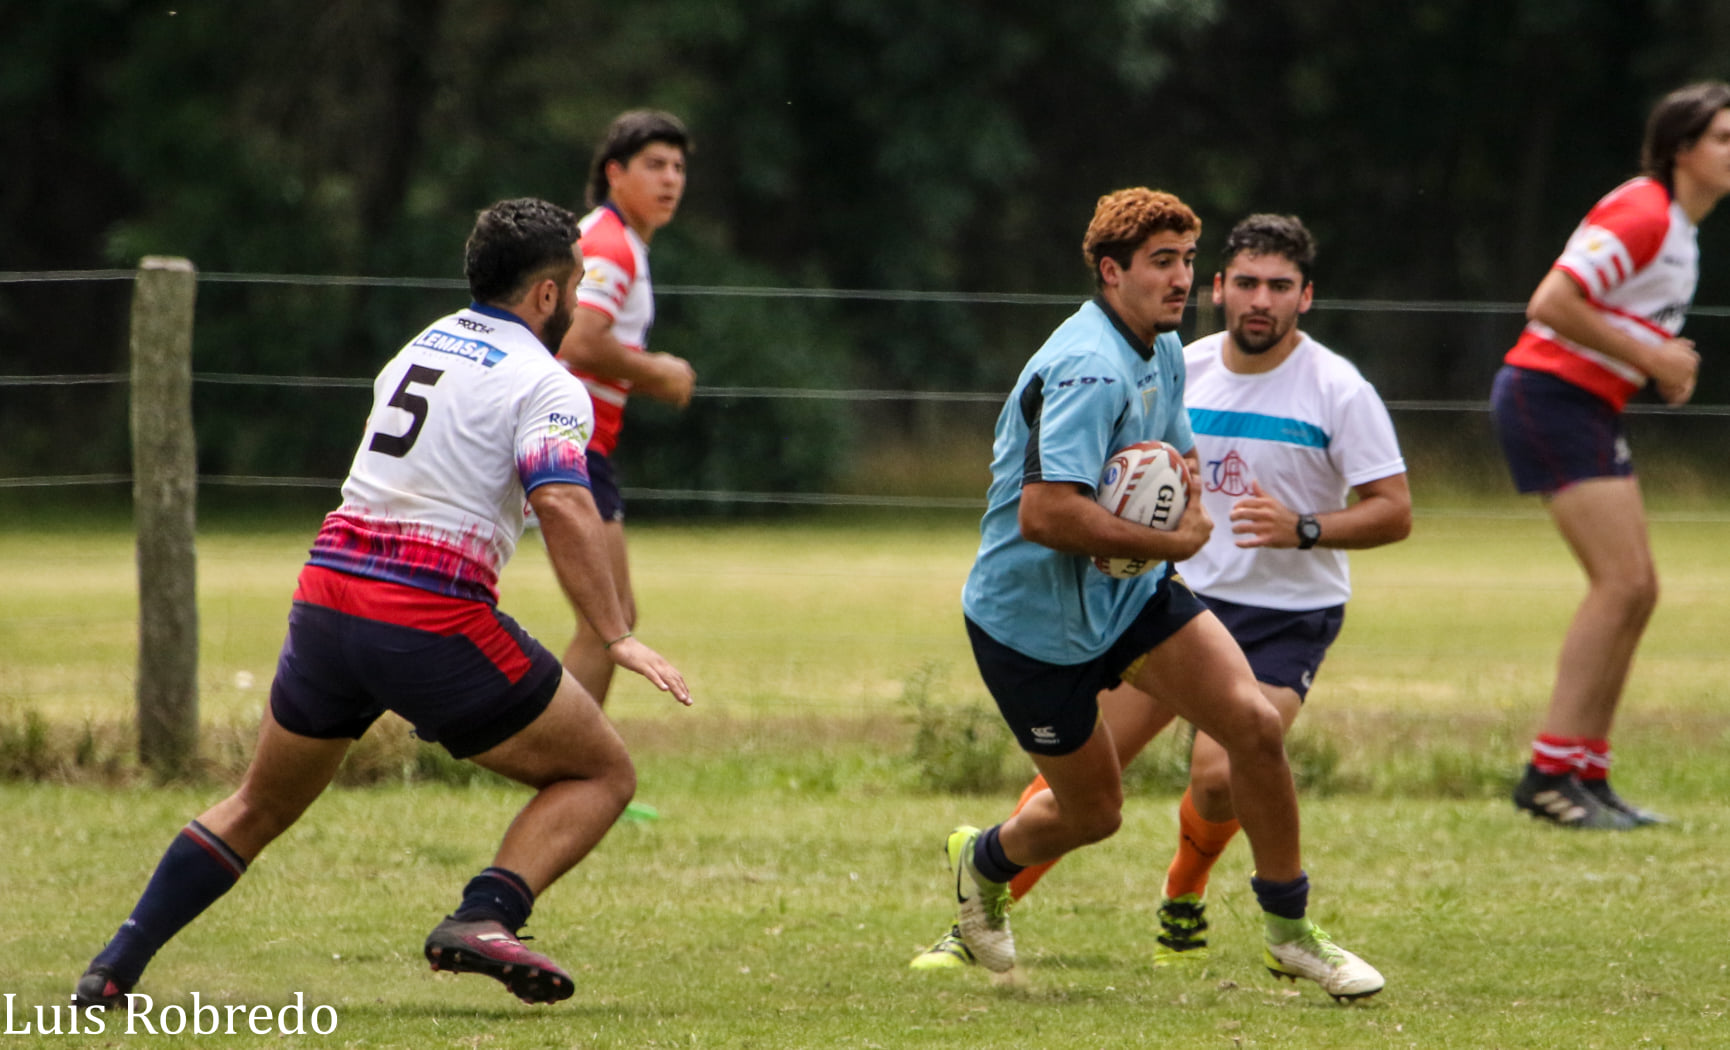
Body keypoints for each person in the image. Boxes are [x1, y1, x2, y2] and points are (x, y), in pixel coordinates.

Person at [74, 198, 691, 1010]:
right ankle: (486, 914)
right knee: (602, 772)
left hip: (327, 598)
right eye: (574, 284)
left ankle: (113, 965)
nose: (577, 299)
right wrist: (615, 634)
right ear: (547, 294)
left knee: (260, 803)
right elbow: (566, 503)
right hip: (427, 615)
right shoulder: (549, 383)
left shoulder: (420, 345)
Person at [911, 213, 1410, 974]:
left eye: (1184, 260)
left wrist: (1189, 519)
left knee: (1252, 728)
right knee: (1094, 813)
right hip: (1032, 625)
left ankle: (1289, 934)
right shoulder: (1089, 368)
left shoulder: (1166, 349)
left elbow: (1179, 459)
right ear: (1112, 272)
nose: (1180, 278)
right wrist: (1174, 543)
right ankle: (983, 863)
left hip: (1134, 598)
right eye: (1160, 262)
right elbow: (1044, 513)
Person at [1491, 81, 1730, 829]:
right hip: (1548, 394)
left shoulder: (1682, 230)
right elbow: (1552, 302)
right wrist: (1654, 355)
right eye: (1725, 137)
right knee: (1622, 584)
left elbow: (1624, 324)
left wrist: (1659, 356)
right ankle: (1548, 775)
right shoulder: (1645, 209)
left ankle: (1585, 772)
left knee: (1638, 587)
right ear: (1682, 149)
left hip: (1582, 403)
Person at [556, 110, 697, 709]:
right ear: (615, 172)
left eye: (678, 167)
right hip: (573, 443)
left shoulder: (618, 241)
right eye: (654, 165)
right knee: (607, 622)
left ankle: (568, 758)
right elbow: (580, 341)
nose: (670, 179)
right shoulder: (611, 245)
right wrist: (659, 372)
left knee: (611, 617)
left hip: (583, 441)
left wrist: (642, 377)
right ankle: (568, 761)